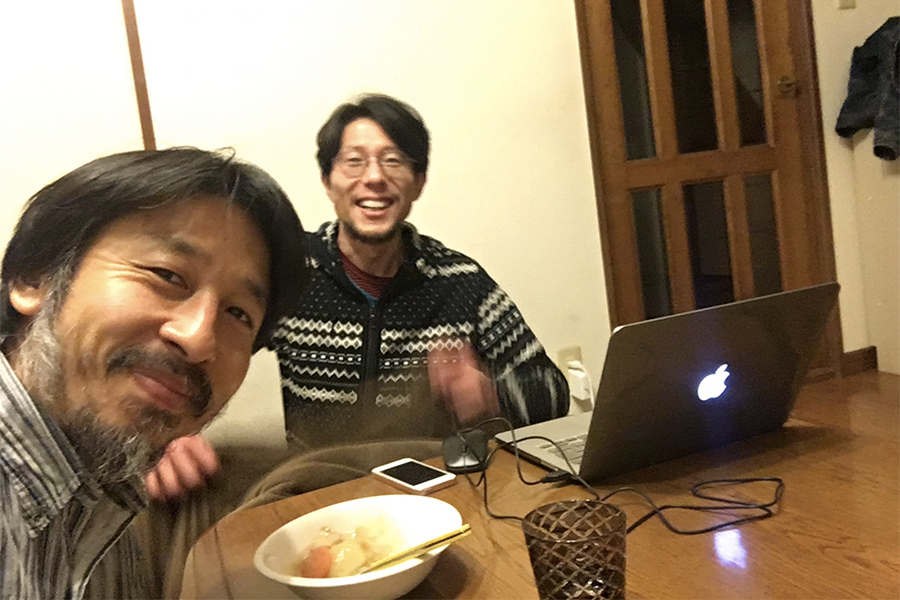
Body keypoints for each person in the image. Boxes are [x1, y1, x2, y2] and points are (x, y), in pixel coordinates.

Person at [147, 94, 570, 502]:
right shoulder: (291, 271)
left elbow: (553, 392)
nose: (374, 178)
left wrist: (488, 391)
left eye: (394, 161)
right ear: (327, 181)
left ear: (419, 182)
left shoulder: (459, 281)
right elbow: (203, 347)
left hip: (433, 497)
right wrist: (173, 434)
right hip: (314, 494)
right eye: (354, 161)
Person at [0, 147, 309, 599]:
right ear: (35, 278)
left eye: (238, 313)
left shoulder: (111, 487)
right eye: (167, 275)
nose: (198, 338)